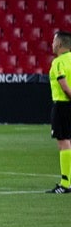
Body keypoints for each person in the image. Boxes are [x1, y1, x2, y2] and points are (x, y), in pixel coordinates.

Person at [47, 29, 71, 194]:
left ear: (60, 44)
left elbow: (64, 87)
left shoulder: (58, 62)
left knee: (63, 142)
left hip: (63, 105)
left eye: (54, 41)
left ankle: (65, 182)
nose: (52, 44)